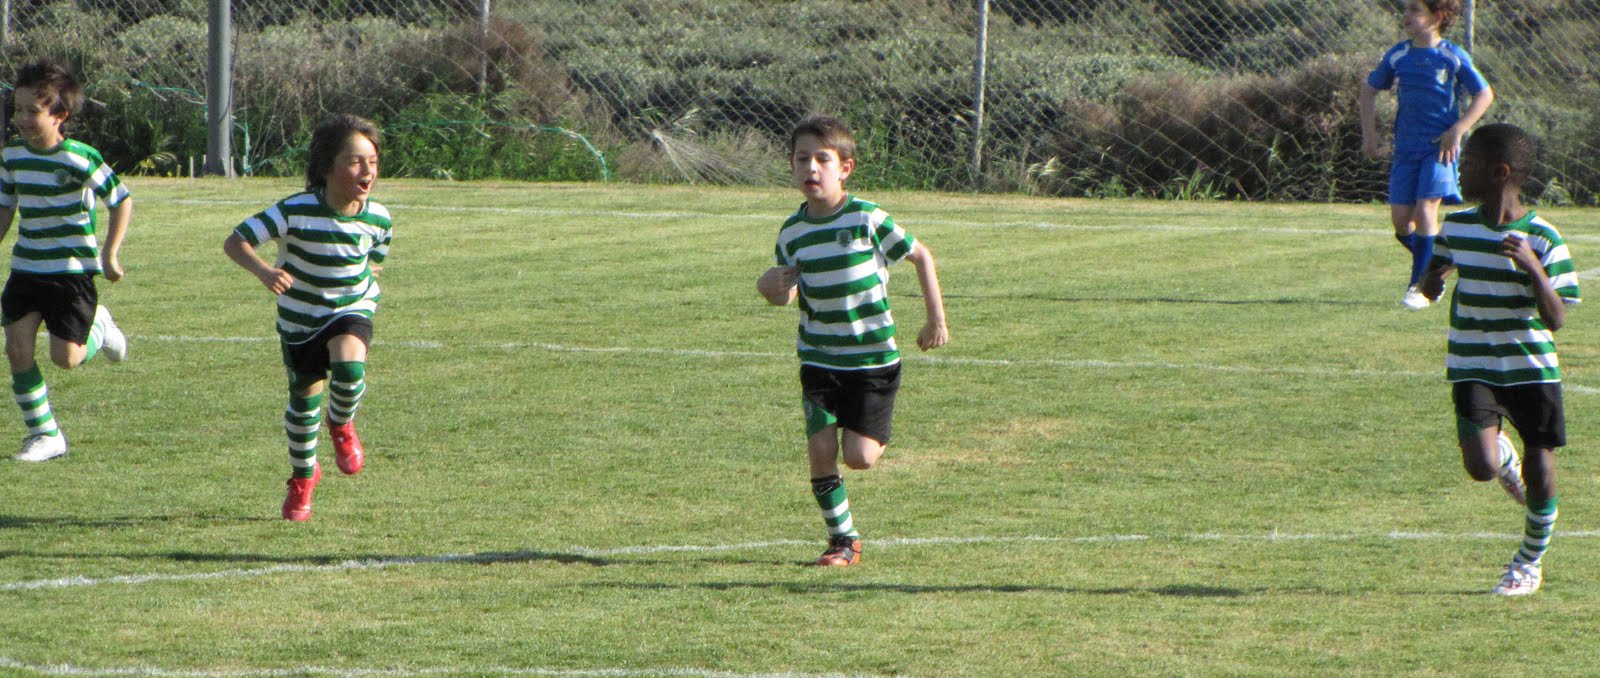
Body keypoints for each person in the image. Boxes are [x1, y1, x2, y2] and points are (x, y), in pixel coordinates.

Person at [757, 115, 949, 567]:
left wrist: (935, 320)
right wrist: (769, 288)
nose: (811, 167)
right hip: (819, 360)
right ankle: (842, 540)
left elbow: (921, 256)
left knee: (860, 458)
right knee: (821, 453)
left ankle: (872, 429)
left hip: (872, 361)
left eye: (822, 159)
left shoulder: (866, 217)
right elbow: (787, 294)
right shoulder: (792, 232)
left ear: (845, 168)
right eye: (802, 158)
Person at [1418, 123, 1578, 596]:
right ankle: (1503, 458)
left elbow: (1556, 318)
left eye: (1468, 164)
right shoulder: (1458, 227)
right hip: (1473, 362)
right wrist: (1431, 283)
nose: (1460, 171)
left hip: (1531, 367)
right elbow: (1433, 275)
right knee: (1481, 467)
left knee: (1541, 463)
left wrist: (1533, 269)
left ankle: (1528, 563)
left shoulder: (1543, 238)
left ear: (1499, 172)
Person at [223, 114, 391, 521]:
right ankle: (303, 478)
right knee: (303, 404)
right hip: (300, 320)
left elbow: (376, 256)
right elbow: (236, 241)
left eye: (372, 162)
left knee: (349, 367)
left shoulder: (379, 217)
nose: (367, 171)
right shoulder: (295, 210)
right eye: (355, 161)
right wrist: (265, 271)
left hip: (351, 308)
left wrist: (365, 278)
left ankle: (341, 424)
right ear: (327, 167)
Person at [0, 60, 131, 462]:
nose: (22, 119)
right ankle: (45, 434)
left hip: (70, 274)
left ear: (60, 115)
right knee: (17, 350)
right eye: (18, 110)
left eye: (32, 111)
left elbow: (121, 200)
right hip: (27, 269)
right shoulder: (12, 156)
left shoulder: (79, 158)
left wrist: (109, 254)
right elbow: (5, 207)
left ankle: (100, 325)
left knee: (67, 359)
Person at [1359, 0, 1494, 310]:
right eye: (1405, 9)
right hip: (1406, 149)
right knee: (1401, 222)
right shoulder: (1399, 54)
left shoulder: (1452, 55)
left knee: (1425, 211)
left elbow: (1484, 94)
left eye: (1414, 10)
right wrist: (1370, 136)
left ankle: (1419, 287)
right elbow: (1369, 90)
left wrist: (1457, 130)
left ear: (1438, 16)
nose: (1406, 15)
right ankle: (1439, 265)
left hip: (1439, 149)